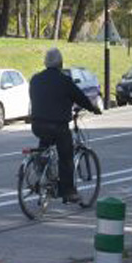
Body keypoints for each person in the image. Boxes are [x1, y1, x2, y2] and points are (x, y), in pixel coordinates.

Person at [28, 47, 101, 204]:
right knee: (66, 155)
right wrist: (93, 108)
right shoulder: (64, 80)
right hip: (57, 127)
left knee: (45, 144)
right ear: (61, 63)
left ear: (45, 63)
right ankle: (68, 191)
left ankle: (41, 169)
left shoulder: (35, 80)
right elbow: (79, 97)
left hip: (37, 125)